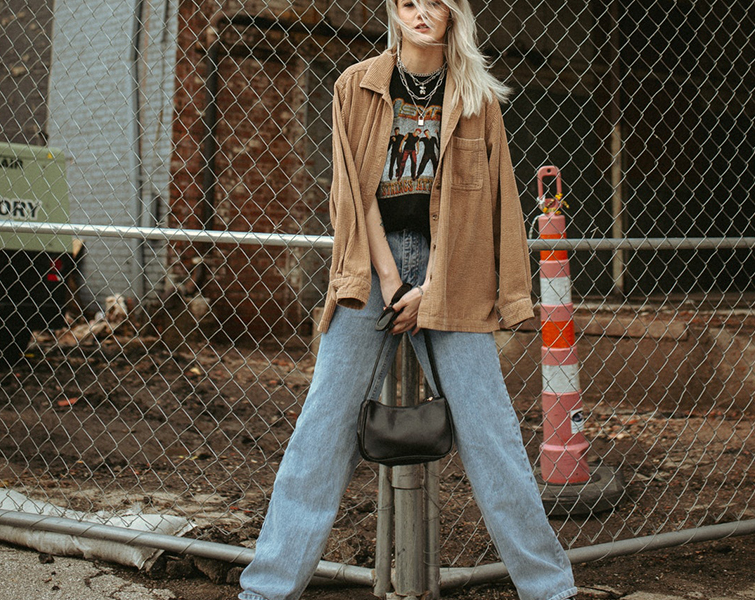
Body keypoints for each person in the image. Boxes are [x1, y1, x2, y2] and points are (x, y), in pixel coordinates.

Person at [238, 1, 578, 599]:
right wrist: (395, 282)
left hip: (456, 271)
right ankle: (263, 591)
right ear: (396, 11)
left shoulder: (477, 99)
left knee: (492, 435)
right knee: (321, 432)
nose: (420, 13)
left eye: (434, 3)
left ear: (454, 14)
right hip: (372, 271)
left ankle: (552, 590)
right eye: (408, 3)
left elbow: (488, 205)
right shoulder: (356, 85)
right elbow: (353, 193)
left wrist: (436, 288)